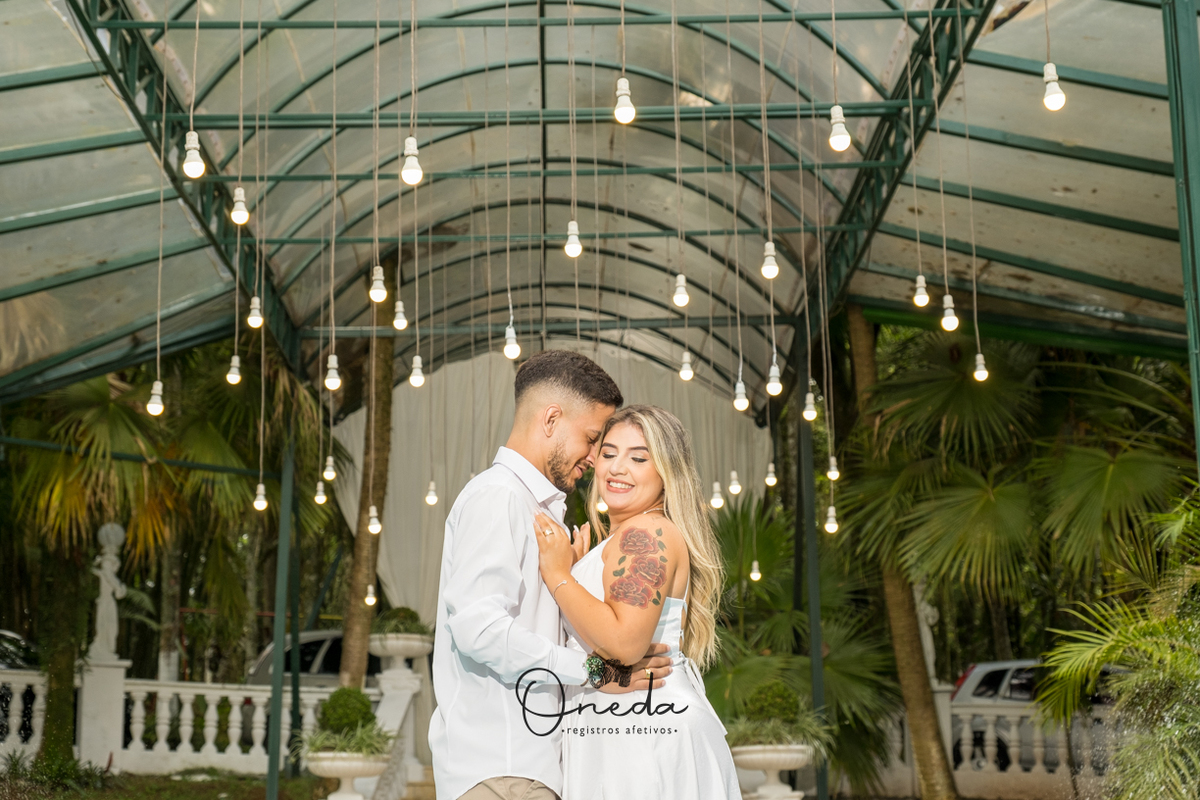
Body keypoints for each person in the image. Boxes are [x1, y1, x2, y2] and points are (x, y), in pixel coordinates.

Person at [429, 351, 675, 800]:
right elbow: (479, 629)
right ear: (551, 420)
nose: (595, 458)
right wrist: (595, 671)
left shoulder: (537, 510)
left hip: (528, 768)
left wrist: (572, 578)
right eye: (592, 439)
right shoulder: (498, 497)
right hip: (502, 769)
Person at [535, 404, 742, 799]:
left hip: (644, 732)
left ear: (667, 471)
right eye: (609, 453)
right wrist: (578, 575)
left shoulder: (647, 532)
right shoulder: (626, 537)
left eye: (639, 458)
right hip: (627, 723)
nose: (617, 468)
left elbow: (625, 644)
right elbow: (603, 659)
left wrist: (559, 575)